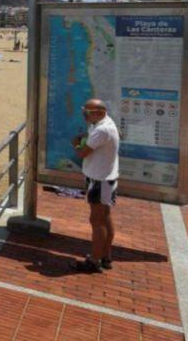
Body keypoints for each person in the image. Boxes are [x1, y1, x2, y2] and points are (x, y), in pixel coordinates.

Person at [70, 99, 120, 273]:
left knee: (97, 221)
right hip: (107, 178)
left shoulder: (102, 129)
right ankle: (105, 255)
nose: (84, 115)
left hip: (99, 180)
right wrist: (86, 137)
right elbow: (94, 139)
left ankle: (94, 261)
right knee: (105, 217)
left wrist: (76, 143)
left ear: (99, 112)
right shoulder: (104, 123)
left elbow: (82, 152)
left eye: (87, 112)